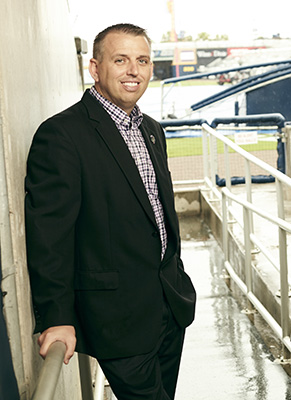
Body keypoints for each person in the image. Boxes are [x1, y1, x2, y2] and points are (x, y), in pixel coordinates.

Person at [25, 23, 196, 399]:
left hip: (170, 308)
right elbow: (49, 238)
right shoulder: (61, 135)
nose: (133, 70)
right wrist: (57, 318)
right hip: (117, 319)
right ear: (95, 68)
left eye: (142, 60)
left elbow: (157, 218)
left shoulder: (151, 130)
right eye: (120, 60)